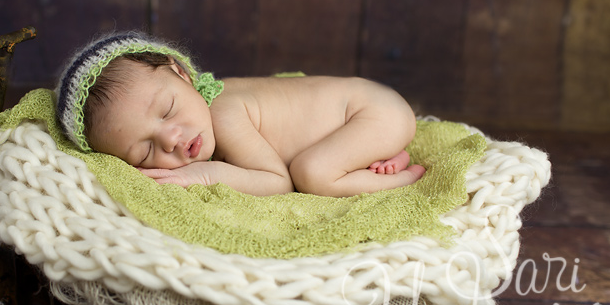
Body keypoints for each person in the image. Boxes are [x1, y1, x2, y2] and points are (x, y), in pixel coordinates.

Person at [56, 32, 425, 198]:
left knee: (312, 173)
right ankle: (378, 156)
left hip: (372, 112)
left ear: (183, 74)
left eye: (168, 110)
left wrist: (204, 173)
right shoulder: (201, 110)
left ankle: (403, 179)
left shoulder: (224, 111)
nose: (170, 139)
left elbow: (276, 181)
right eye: (144, 153)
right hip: (368, 118)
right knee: (318, 161)